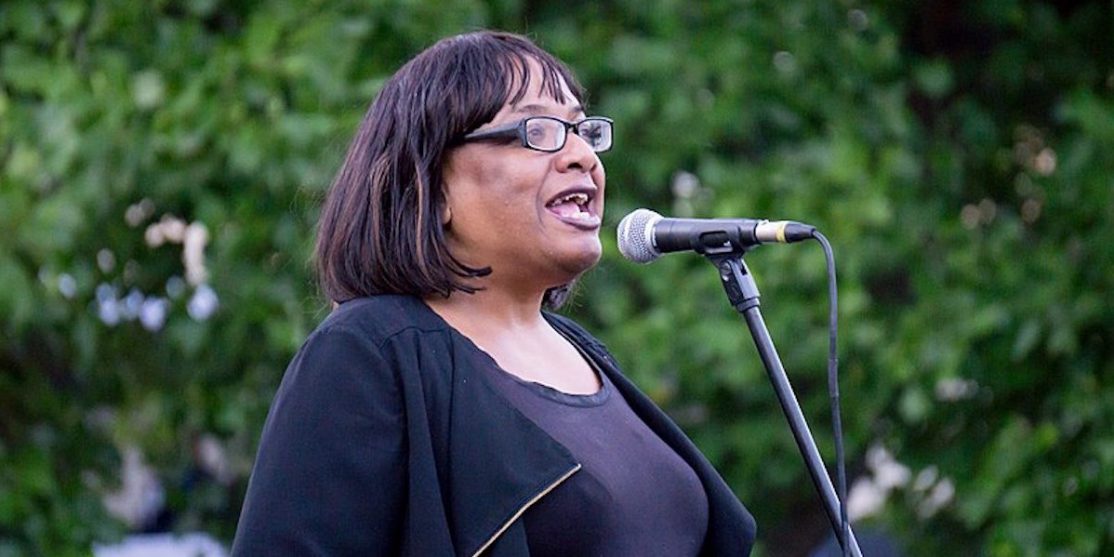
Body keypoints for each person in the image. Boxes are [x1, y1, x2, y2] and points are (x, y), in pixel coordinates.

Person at [231, 30, 756, 556]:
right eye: (538, 130)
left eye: (581, 130)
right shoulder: (371, 352)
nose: (582, 157)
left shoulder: (587, 354)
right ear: (430, 188)